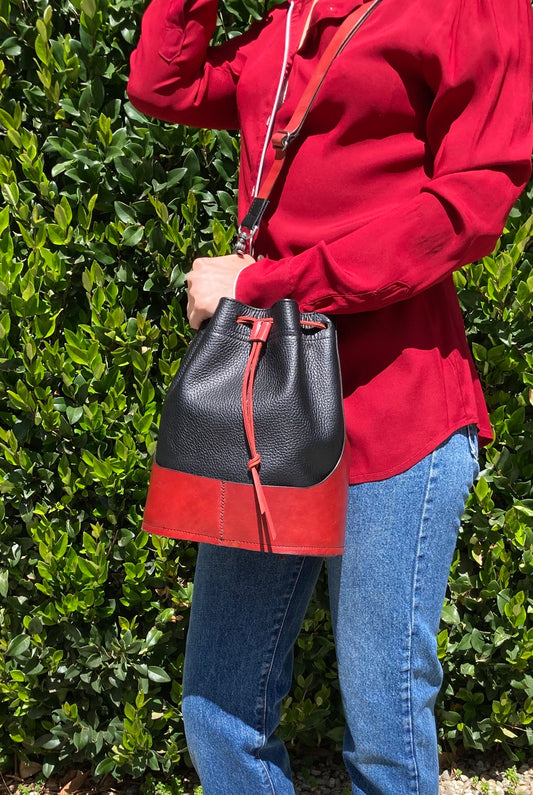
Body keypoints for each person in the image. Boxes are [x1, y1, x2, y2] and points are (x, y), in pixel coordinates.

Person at [127, 0, 533, 792]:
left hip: (398, 406)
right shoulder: (288, 22)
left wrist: (268, 284)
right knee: (219, 705)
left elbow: (465, 212)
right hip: (266, 410)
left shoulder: (468, 10)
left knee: (384, 725)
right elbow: (162, 84)